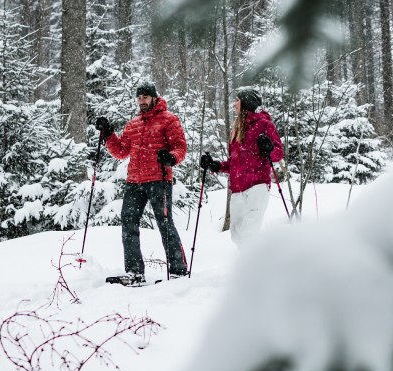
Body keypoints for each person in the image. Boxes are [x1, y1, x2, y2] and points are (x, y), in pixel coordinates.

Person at [95, 82, 188, 284]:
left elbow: (180, 147)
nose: (141, 101)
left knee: (164, 223)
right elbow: (121, 151)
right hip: (134, 182)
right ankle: (135, 272)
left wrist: (171, 157)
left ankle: (178, 271)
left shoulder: (169, 119)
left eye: (145, 97)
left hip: (159, 179)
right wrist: (109, 133)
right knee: (128, 223)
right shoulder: (133, 124)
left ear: (154, 97)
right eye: (139, 97)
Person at [200, 87, 284, 245]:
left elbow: (278, 153)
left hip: (257, 187)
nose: (234, 104)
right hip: (237, 189)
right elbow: (234, 162)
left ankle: (258, 267)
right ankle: (254, 265)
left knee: (248, 234)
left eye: (237, 100)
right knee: (237, 236)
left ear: (246, 102)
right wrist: (216, 165)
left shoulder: (264, 124)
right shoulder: (237, 128)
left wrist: (269, 148)